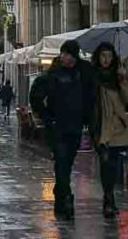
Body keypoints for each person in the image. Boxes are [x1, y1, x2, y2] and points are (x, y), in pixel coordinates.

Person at [29, 39, 95, 220]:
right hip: (57, 126)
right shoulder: (53, 74)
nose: (63, 56)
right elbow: (36, 94)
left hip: (75, 125)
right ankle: (66, 199)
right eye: (63, 53)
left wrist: (87, 117)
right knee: (62, 161)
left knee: (67, 162)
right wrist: (46, 116)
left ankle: (60, 194)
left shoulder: (83, 72)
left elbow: (91, 93)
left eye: (67, 53)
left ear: (74, 56)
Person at [91, 42, 128, 218]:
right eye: (103, 56)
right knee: (105, 163)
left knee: (112, 166)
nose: (106, 59)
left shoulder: (117, 78)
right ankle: (108, 201)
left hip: (117, 127)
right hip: (100, 126)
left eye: (109, 56)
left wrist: (123, 80)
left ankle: (109, 201)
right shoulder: (93, 77)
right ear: (98, 58)